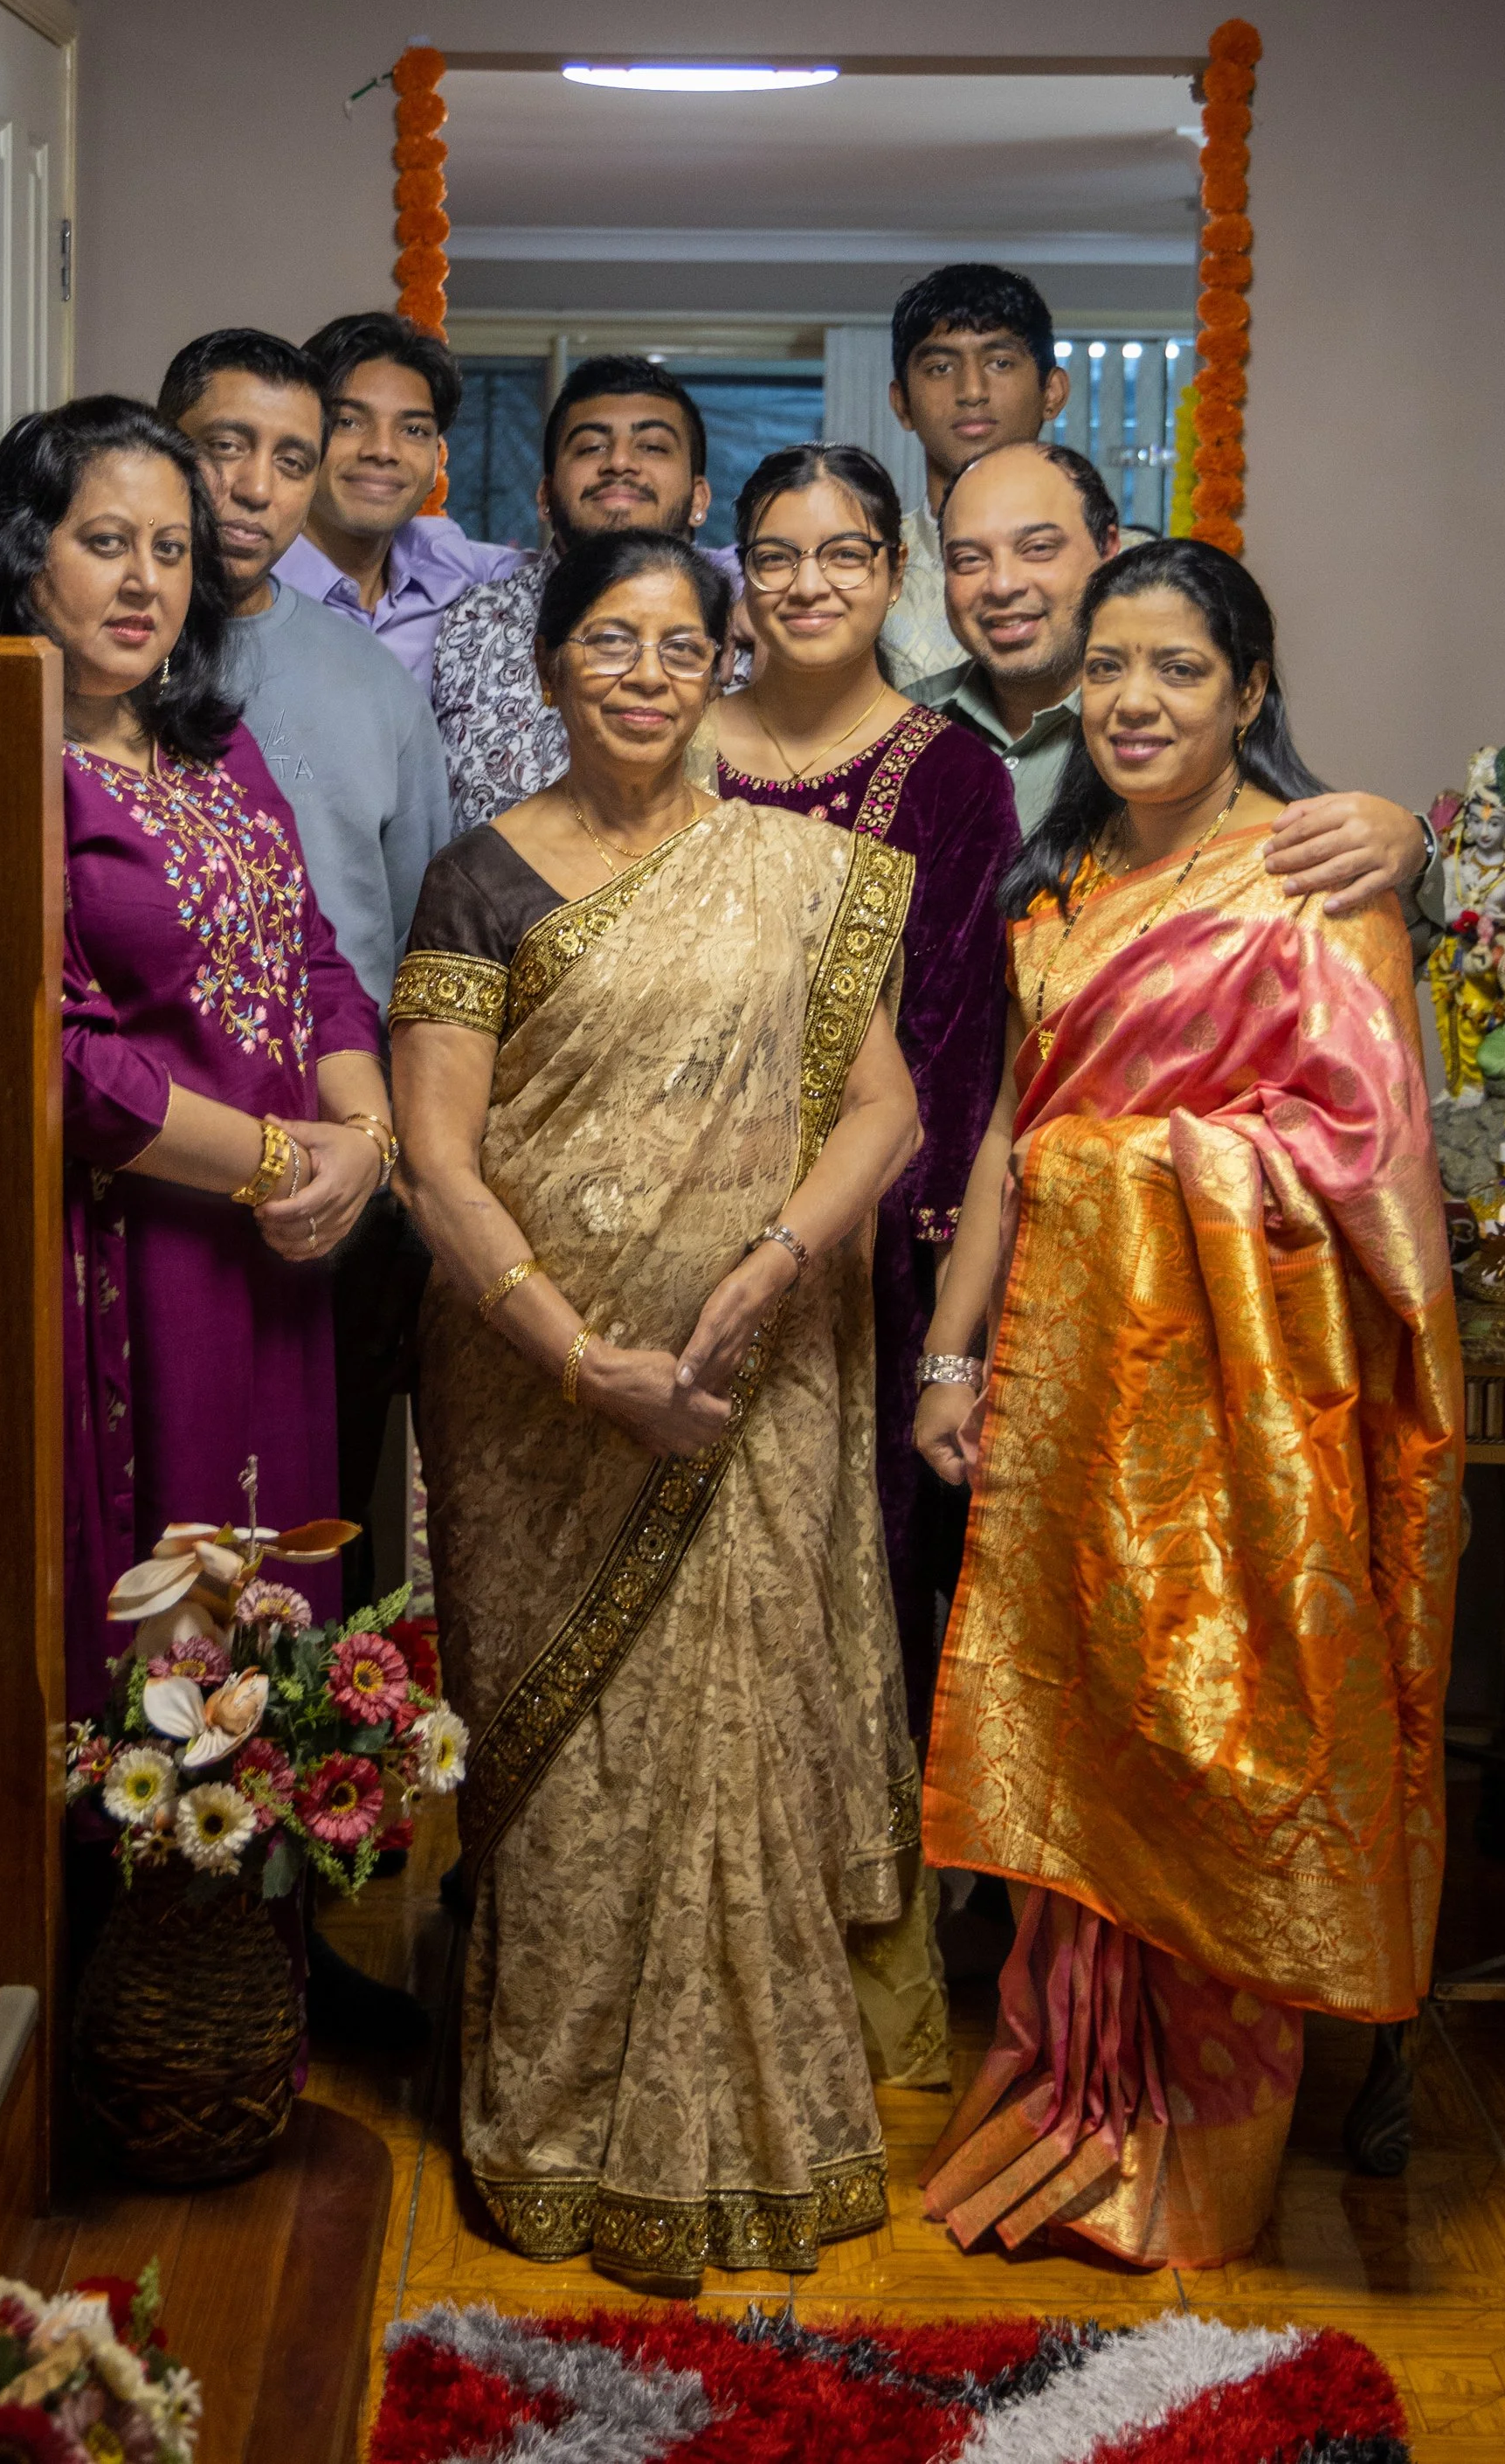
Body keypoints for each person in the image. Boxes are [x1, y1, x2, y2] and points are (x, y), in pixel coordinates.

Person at [911, 537, 1461, 2271]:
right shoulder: (1054, 888)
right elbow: (1011, 1141)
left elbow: (1368, 1168)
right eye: (1109, 668)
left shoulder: (1314, 883)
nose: (1133, 701)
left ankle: (1205, 2149)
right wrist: (949, 1349)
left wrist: (1140, 1171)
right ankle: (1074, 2094)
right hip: (1075, 1398)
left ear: (1245, 695)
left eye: (1175, 670)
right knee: (1083, 1725)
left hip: (1241, 1411)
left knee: (1219, 1736)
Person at [391, 529, 923, 2288]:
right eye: (605, 641)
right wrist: (575, 1358)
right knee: (568, 1770)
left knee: (734, 1746)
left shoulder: (802, 873)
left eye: (676, 643)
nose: (639, 671)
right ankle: (554, 2140)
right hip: (532, 1403)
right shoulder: (478, 880)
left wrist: (769, 1269)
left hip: (752, 1386)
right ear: (549, 666)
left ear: (719, 667)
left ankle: (752, 2143)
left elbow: (885, 1116)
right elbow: (438, 1160)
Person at [0, 398, 392, 1763]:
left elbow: (316, 958)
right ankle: (117, 1953)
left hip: (275, 1262)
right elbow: (48, 1057)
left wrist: (366, 1140)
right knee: (142, 1654)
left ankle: (243, 1963)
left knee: (272, 1626)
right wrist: (286, 1163)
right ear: (26, 552)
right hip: (119, 1265)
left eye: (169, 547)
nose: (146, 580)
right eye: (104, 541)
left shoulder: (213, 745)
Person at [694, 444, 1013, 1756]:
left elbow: (958, 1048)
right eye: (774, 554)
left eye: (843, 554)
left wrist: (935, 1311)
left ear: (895, 572)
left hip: (874, 1265)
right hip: (671, 1226)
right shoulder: (673, 741)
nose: (806, 582)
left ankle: (842, 1919)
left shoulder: (952, 775)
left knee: (851, 1595)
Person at [155, 327, 450, 1628]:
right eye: (224, 449)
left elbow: (415, 927)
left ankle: (332, 1787)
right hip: (154, 1138)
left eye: (288, 457)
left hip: (346, 1141)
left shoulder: (369, 680)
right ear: (166, 448)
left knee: (325, 1508)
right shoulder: (109, 652)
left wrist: (384, 1142)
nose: (254, 488)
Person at [930, 438, 1442, 921]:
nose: (1001, 584)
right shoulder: (901, 730)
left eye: (1038, 548)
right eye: (969, 559)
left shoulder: (1173, 750)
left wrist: (1415, 847)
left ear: (1110, 547)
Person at [431, 353, 736, 832]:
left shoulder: (743, 627)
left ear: (700, 498)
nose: (619, 463)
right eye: (591, 447)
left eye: (653, 447)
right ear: (545, 495)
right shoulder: (473, 620)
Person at [277, 310, 520, 687]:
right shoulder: (249, 588)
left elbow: (572, 569)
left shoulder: (447, 565)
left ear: (437, 458)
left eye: (413, 429)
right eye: (348, 422)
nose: (383, 450)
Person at [879, 263, 1072, 690]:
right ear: (901, 404)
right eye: (940, 369)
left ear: (1052, 393)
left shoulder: (1128, 565)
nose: (971, 391)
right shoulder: (866, 571)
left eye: (1000, 363)